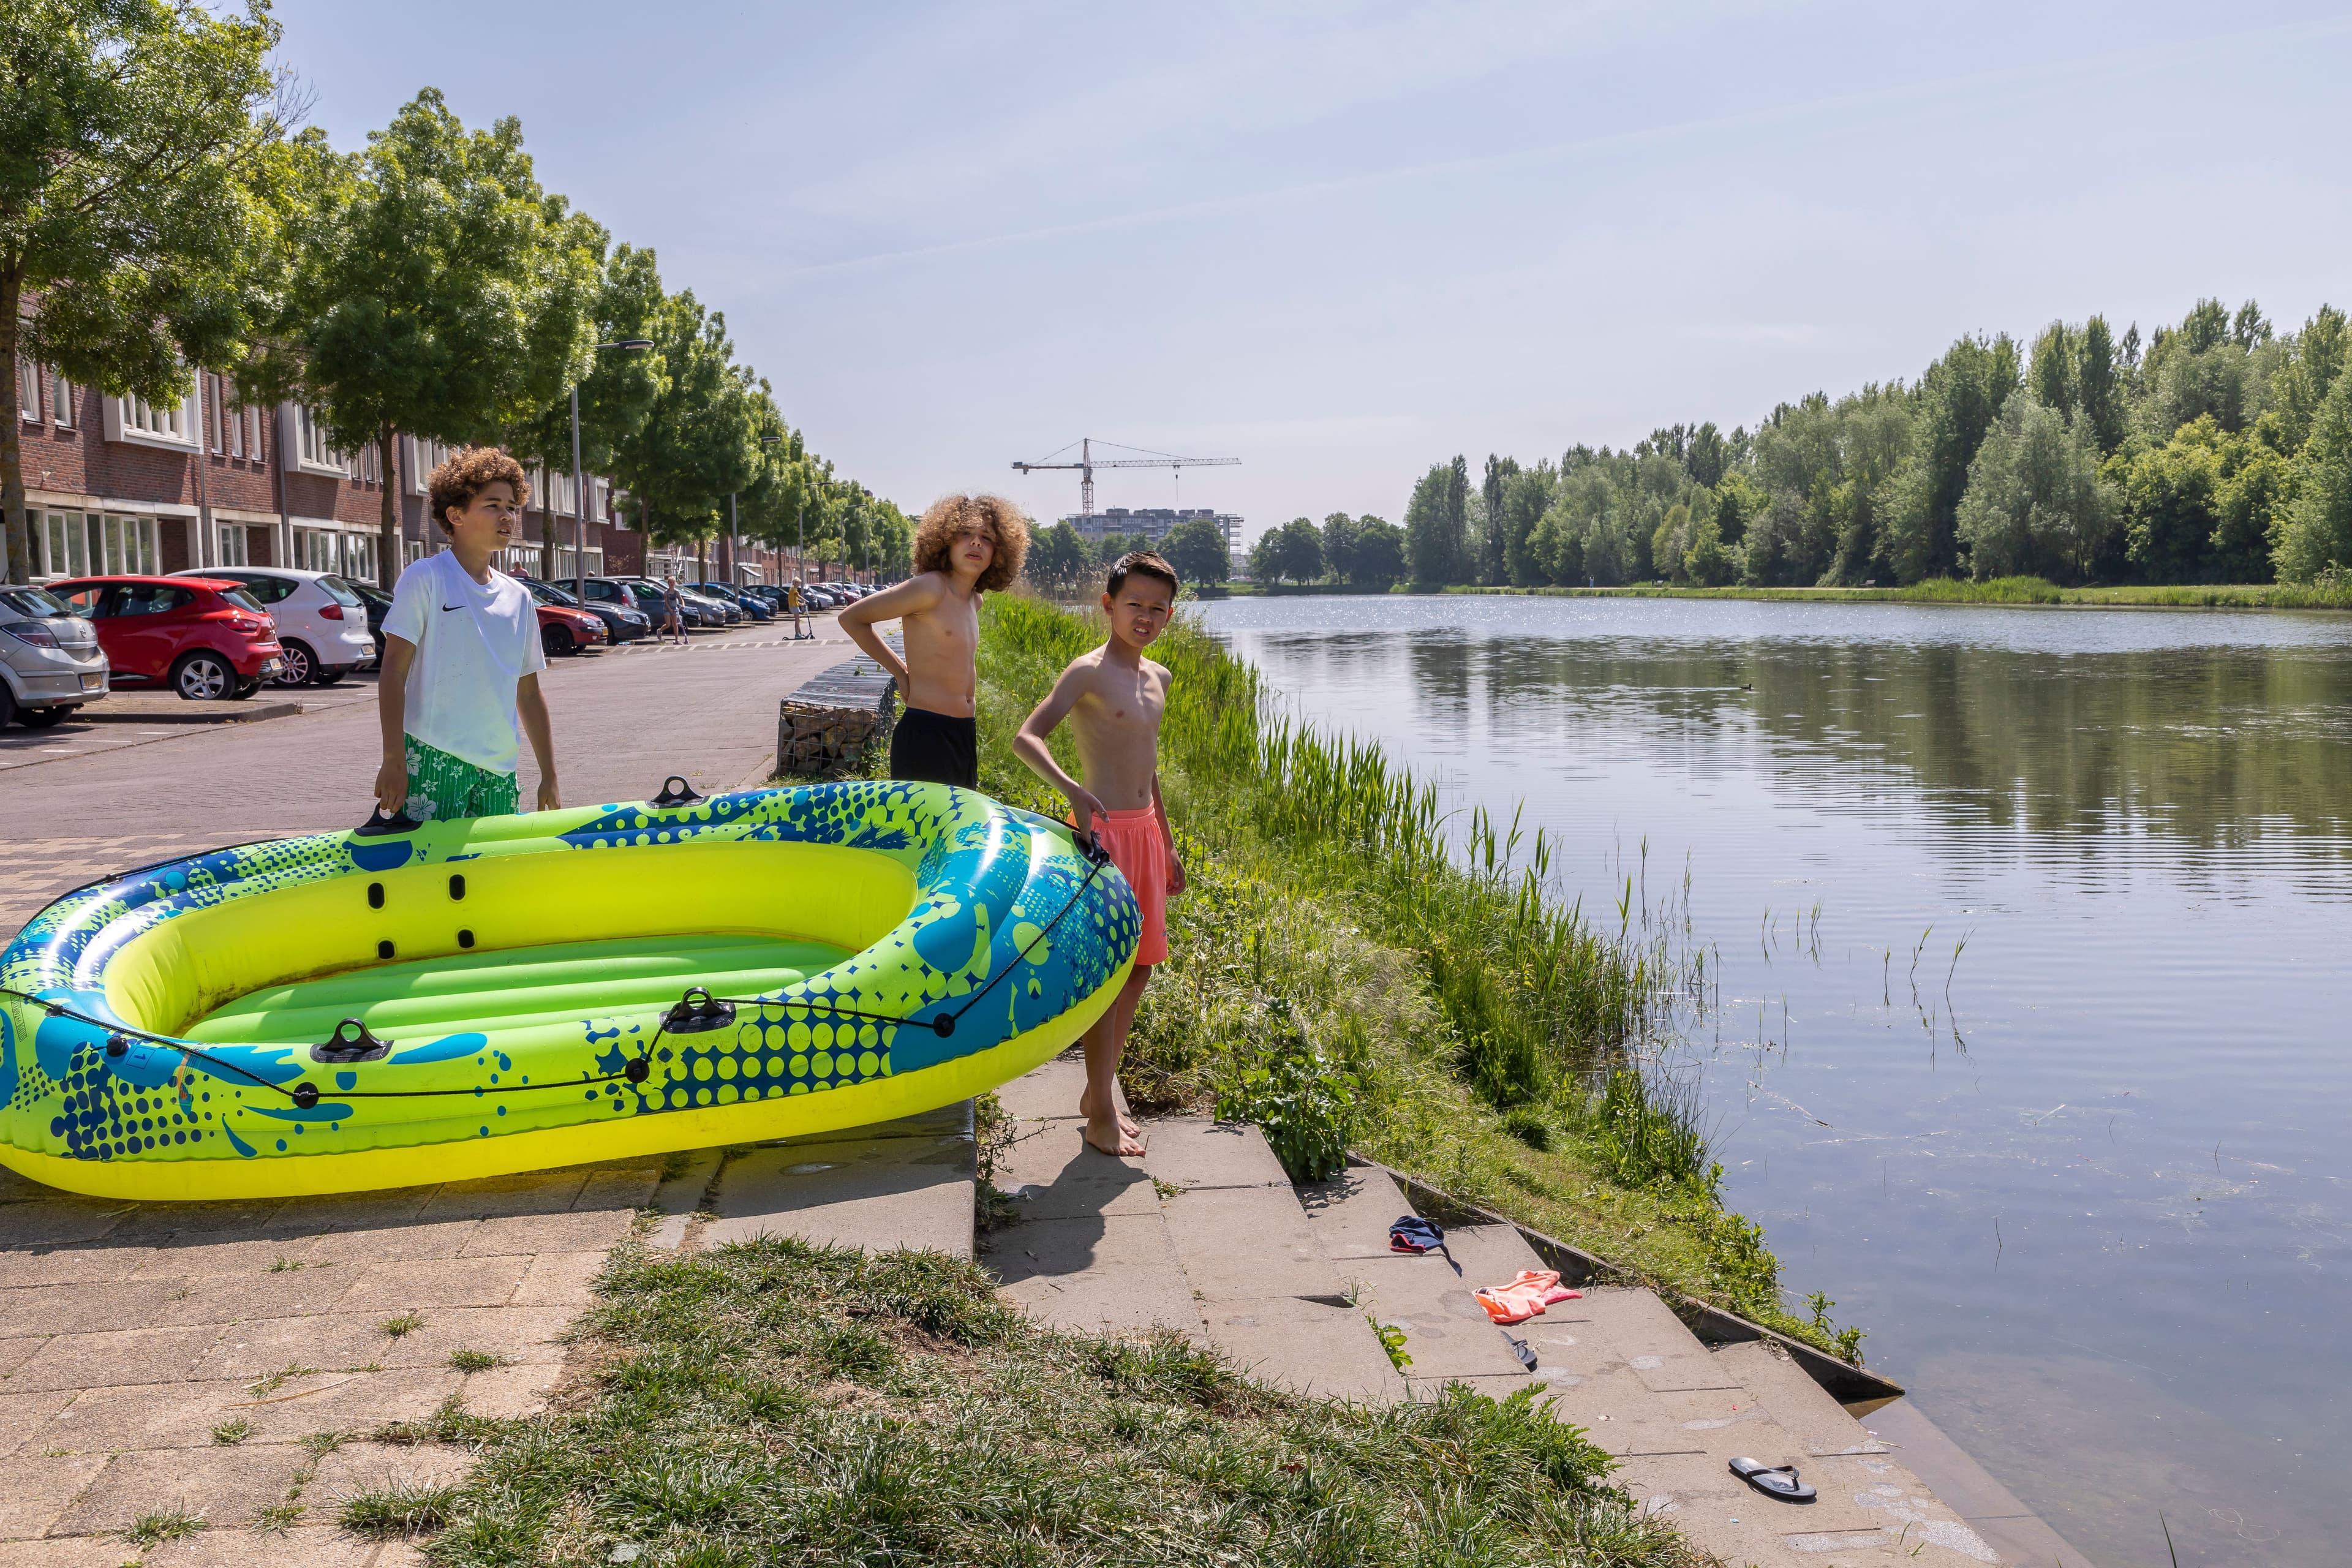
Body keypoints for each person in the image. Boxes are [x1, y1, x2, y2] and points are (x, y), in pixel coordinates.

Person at [1012, 551, 1184, 1157]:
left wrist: (1168, 842)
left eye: (1158, 607)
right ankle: (1100, 1112)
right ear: (1109, 605)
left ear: (1169, 614)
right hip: (1102, 839)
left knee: (1140, 966)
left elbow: (1149, 767)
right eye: (1134, 603)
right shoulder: (1086, 672)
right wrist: (1075, 793)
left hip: (1144, 837)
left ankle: (1097, 1092)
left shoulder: (1158, 678)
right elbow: (1026, 736)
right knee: (1104, 976)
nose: (1146, 615)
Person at [373, 447, 559, 823]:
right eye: (492, 505)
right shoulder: (425, 578)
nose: (506, 515)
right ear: (455, 515)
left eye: (512, 506)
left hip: (500, 770)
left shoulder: (519, 597)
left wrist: (549, 774)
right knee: (429, 876)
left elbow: (528, 691)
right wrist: (394, 759)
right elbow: (393, 671)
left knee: (493, 878)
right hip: (432, 758)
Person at [839, 494, 1030, 790]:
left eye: (986, 537)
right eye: (965, 533)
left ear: (1000, 551)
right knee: (923, 835)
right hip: (926, 734)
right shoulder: (930, 588)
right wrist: (901, 673)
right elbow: (852, 618)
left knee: (960, 830)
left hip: (963, 733)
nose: (976, 543)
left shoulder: (974, 601)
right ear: (945, 541)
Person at [661, 572, 687, 646]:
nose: (672, 584)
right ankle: (660, 631)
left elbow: (681, 600)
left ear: (675, 583)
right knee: (668, 624)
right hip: (667, 609)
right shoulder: (666, 592)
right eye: (670, 583)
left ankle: (676, 640)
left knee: (675, 624)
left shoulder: (677, 592)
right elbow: (666, 602)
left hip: (674, 609)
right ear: (668, 583)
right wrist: (669, 609)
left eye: (673, 583)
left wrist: (683, 605)